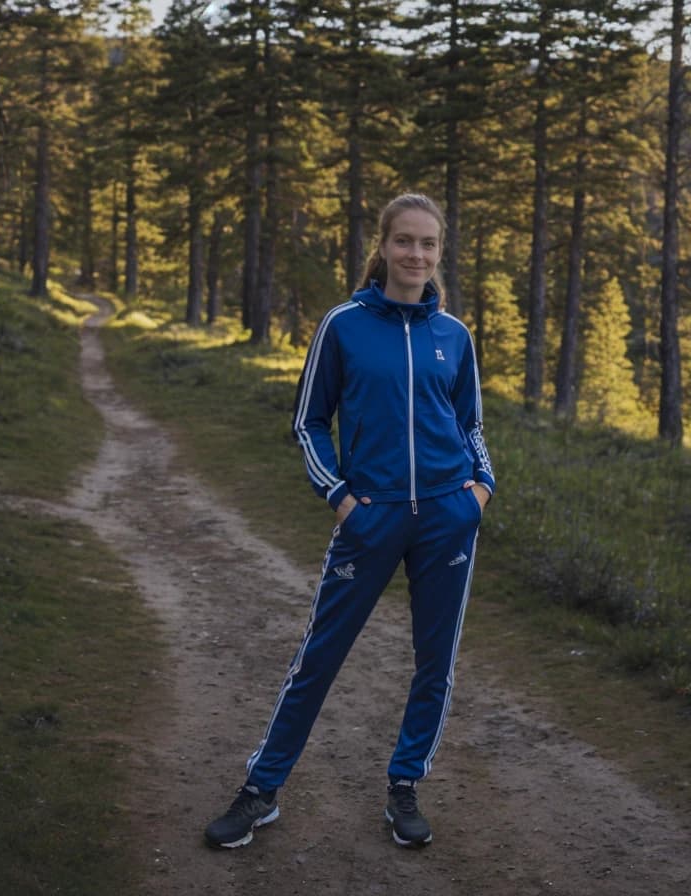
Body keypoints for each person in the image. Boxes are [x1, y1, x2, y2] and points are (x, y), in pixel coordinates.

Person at [203, 193, 495, 850]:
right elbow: (309, 420)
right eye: (404, 241)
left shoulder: (455, 336)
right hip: (370, 518)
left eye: (427, 244)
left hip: (449, 517)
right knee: (319, 656)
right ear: (383, 246)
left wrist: (480, 490)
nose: (415, 255)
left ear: (438, 252)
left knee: (435, 663)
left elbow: (471, 422)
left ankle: (404, 786)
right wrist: (339, 497)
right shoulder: (344, 325)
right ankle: (261, 790)